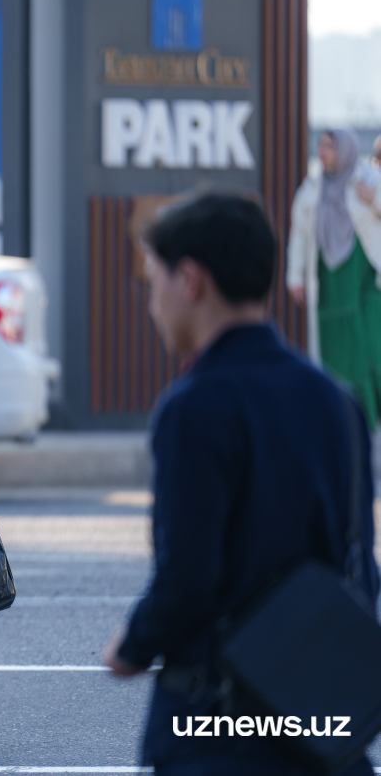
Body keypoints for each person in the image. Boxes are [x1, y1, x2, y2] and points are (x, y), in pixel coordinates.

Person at [103, 193, 380, 775]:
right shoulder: (336, 402)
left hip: (218, 720)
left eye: (156, 283)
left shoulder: (196, 407)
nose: (154, 305)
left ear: (192, 280)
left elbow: (188, 578)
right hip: (321, 719)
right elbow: (360, 565)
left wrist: (131, 648)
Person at [286, 129, 381, 426]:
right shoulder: (312, 189)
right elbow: (300, 236)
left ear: (345, 149)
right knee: (334, 351)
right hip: (328, 281)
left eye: (330, 145)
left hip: (365, 278)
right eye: (321, 145)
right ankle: (342, 416)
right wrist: (295, 276)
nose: (324, 151)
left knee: (370, 345)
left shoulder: (369, 179)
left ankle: (372, 417)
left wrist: (374, 200)